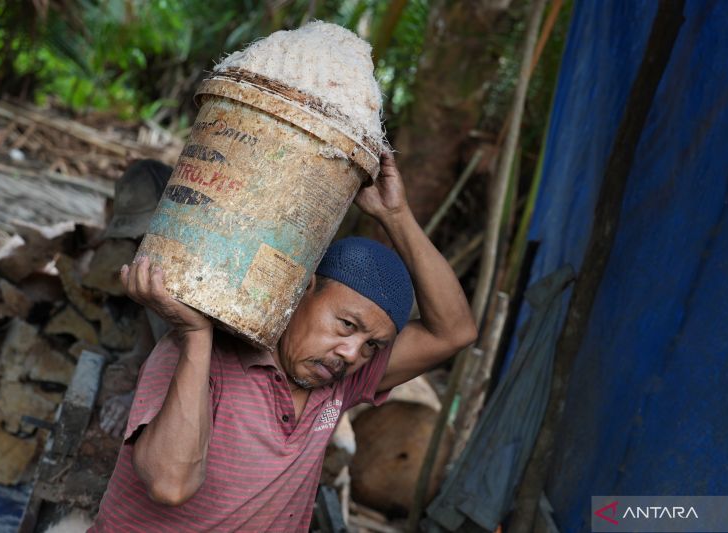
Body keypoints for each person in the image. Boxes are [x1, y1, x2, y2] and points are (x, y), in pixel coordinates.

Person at [90, 151, 478, 531]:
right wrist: (195, 336)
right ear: (303, 288)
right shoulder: (199, 353)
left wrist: (396, 216)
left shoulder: (341, 382)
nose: (352, 352)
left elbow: (455, 331)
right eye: (345, 324)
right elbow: (169, 485)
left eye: (372, 345)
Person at [97, 159, 173, 438]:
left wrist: (138, 400)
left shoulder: (192, 268)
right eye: (137, 236)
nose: (141, 241)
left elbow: (196, 354)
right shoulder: (146, 257)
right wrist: (136, 357)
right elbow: (148, 320)